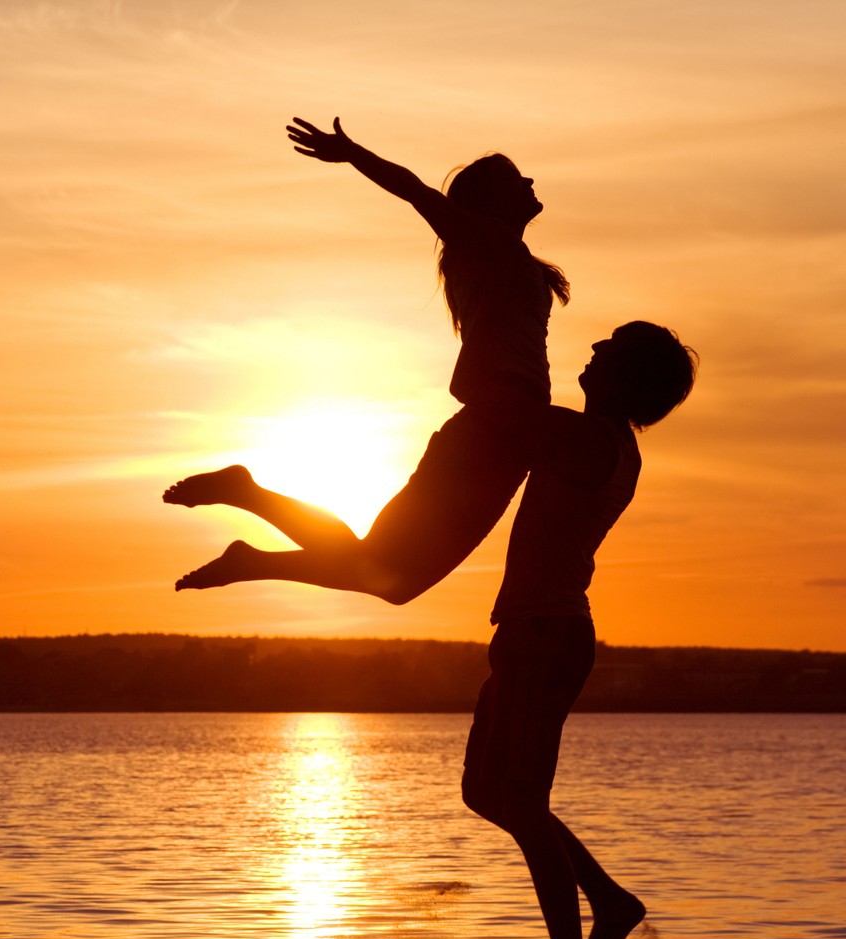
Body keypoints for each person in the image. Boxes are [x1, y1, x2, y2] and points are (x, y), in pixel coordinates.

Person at [166, 117, 568, 604]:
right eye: (515, 179)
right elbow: (416, 191)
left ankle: (249, 541)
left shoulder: (502, 255)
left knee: (391, 576)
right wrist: (354, 154)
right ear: (489, 202)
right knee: (387, 572)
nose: (528, 182)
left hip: (506, 433)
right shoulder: (488, 244)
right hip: (493, 430)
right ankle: (247, 508)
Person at [460, 320, 696, 939]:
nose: (591, 350)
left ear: (626, 378)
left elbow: (491, 404)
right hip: (527, 633)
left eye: (608, 349)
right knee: (486, 792)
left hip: (546, 634)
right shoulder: (596, 438)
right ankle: (609, 899)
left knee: (524, 803)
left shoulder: (591, 439)